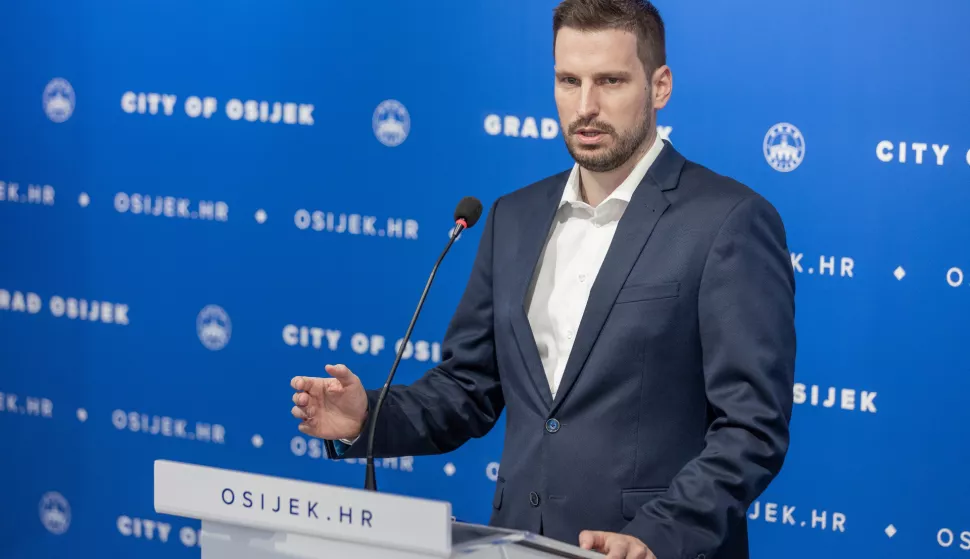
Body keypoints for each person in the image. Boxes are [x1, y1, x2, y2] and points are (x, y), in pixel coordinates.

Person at [290, 0, 796, 557]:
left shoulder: (728, 220)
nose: (586, 106)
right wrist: (368, 417)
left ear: (660, 86)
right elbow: (469, 388)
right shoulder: (513, 217)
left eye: (610, 80)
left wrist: (657, 536)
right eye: (568, 80)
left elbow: (751, 429)